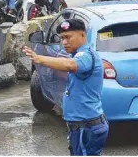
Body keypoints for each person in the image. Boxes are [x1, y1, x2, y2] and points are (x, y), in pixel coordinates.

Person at [22, 19, 108, 156]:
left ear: (82, 35)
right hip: (82, 127)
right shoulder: (78, 54)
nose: (64, 42)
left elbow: (69, 65)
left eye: (68, 37)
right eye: (62, 38)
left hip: (86, 128)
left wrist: (40, 59)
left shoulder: (86, 55)